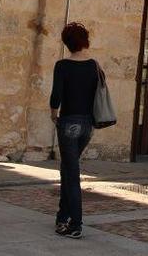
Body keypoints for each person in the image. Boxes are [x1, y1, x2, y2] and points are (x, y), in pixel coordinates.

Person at [50, 22, 99, 239]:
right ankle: (62, 217)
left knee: (72, 172)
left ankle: (76, 223)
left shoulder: (62, 66)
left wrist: (54, 115)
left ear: (67, 43)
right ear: (85, 41)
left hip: (69, 122)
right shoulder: (93, 66)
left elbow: (56, 96)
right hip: (87, 125)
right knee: (67, 169)